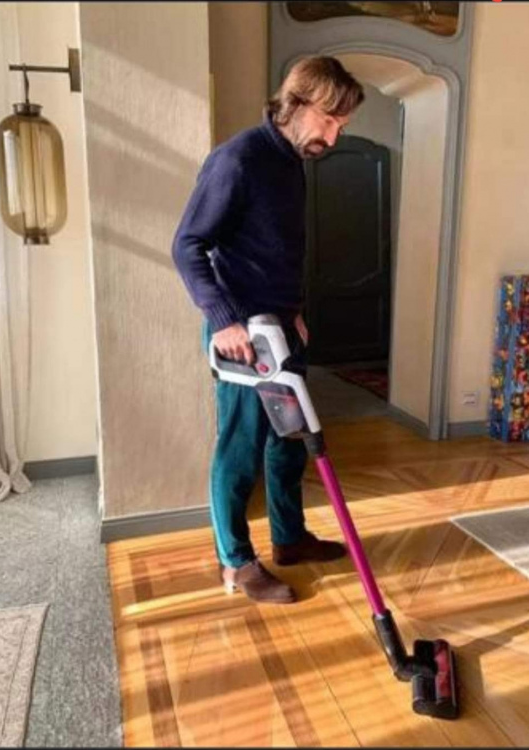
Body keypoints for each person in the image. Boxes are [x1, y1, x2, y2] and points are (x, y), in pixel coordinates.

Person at [172, 56, 364, 603]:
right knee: (239, 451)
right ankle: (235, 562)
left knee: (289, 442)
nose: (333, 136)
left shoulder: (290, 162)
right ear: (297, 103)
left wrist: (292, 308)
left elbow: (273, 250)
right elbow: (187, 245)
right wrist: (224, 320)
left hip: (281, 328)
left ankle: (290, 539)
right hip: (242, 337)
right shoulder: (239, 159)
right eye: (329, 120)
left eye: (341, 126)